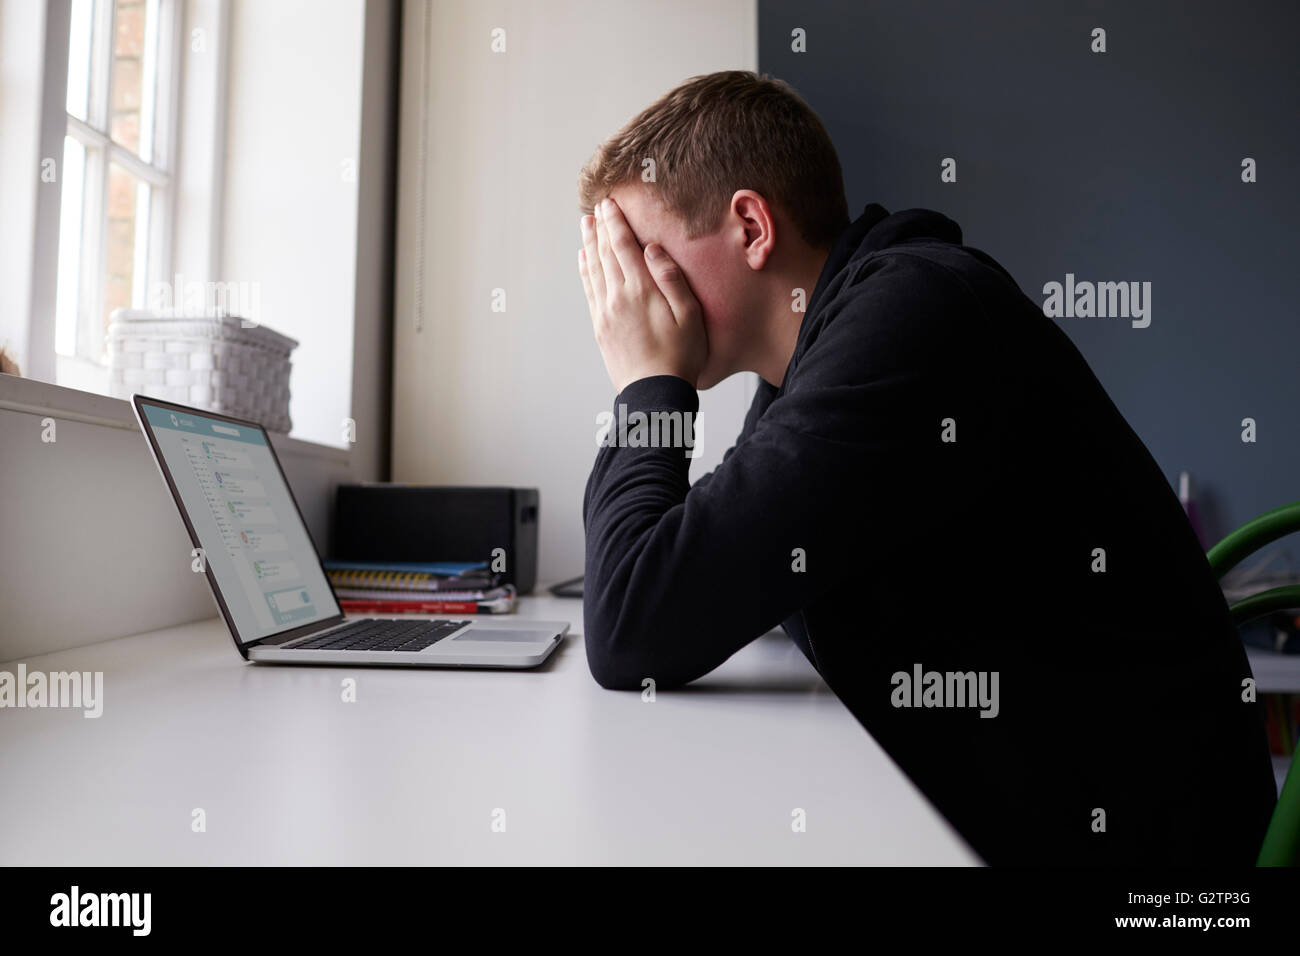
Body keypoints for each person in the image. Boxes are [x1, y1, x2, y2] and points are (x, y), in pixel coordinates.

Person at [575, 70, 1275, 866]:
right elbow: (682, 574)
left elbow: (633, 624)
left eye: (640, 252)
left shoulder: (912, 318)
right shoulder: (806, 368)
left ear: (750, 226)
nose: (621, 290)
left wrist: (644, 383)